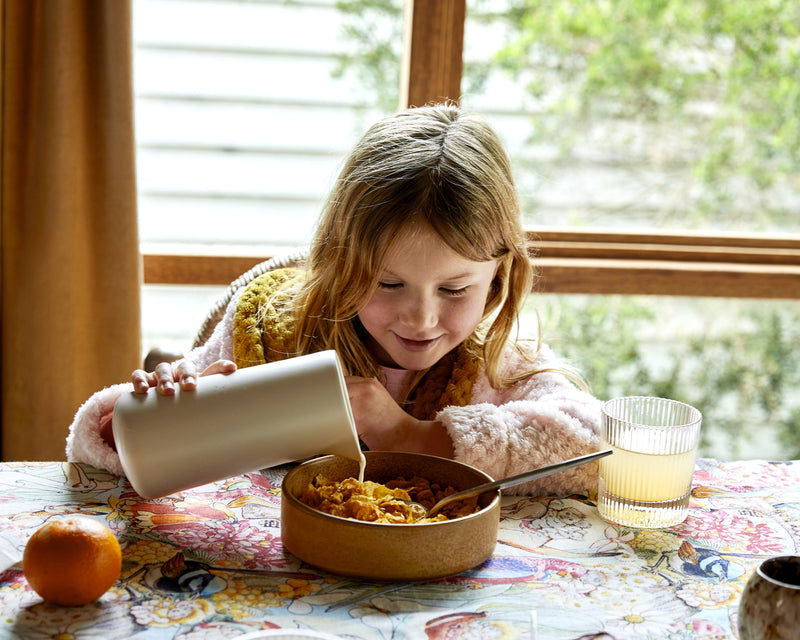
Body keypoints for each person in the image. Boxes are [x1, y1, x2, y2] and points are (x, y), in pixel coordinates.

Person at [67, 103, 601, 496]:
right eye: (387, 284)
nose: (422, 316)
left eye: (454, 289)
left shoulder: (496, 359)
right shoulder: (267, 331)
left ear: (498, 276)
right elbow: (107, 461)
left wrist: (411, 435)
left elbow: (596, 446)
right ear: (340, 262)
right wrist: (148, 417)